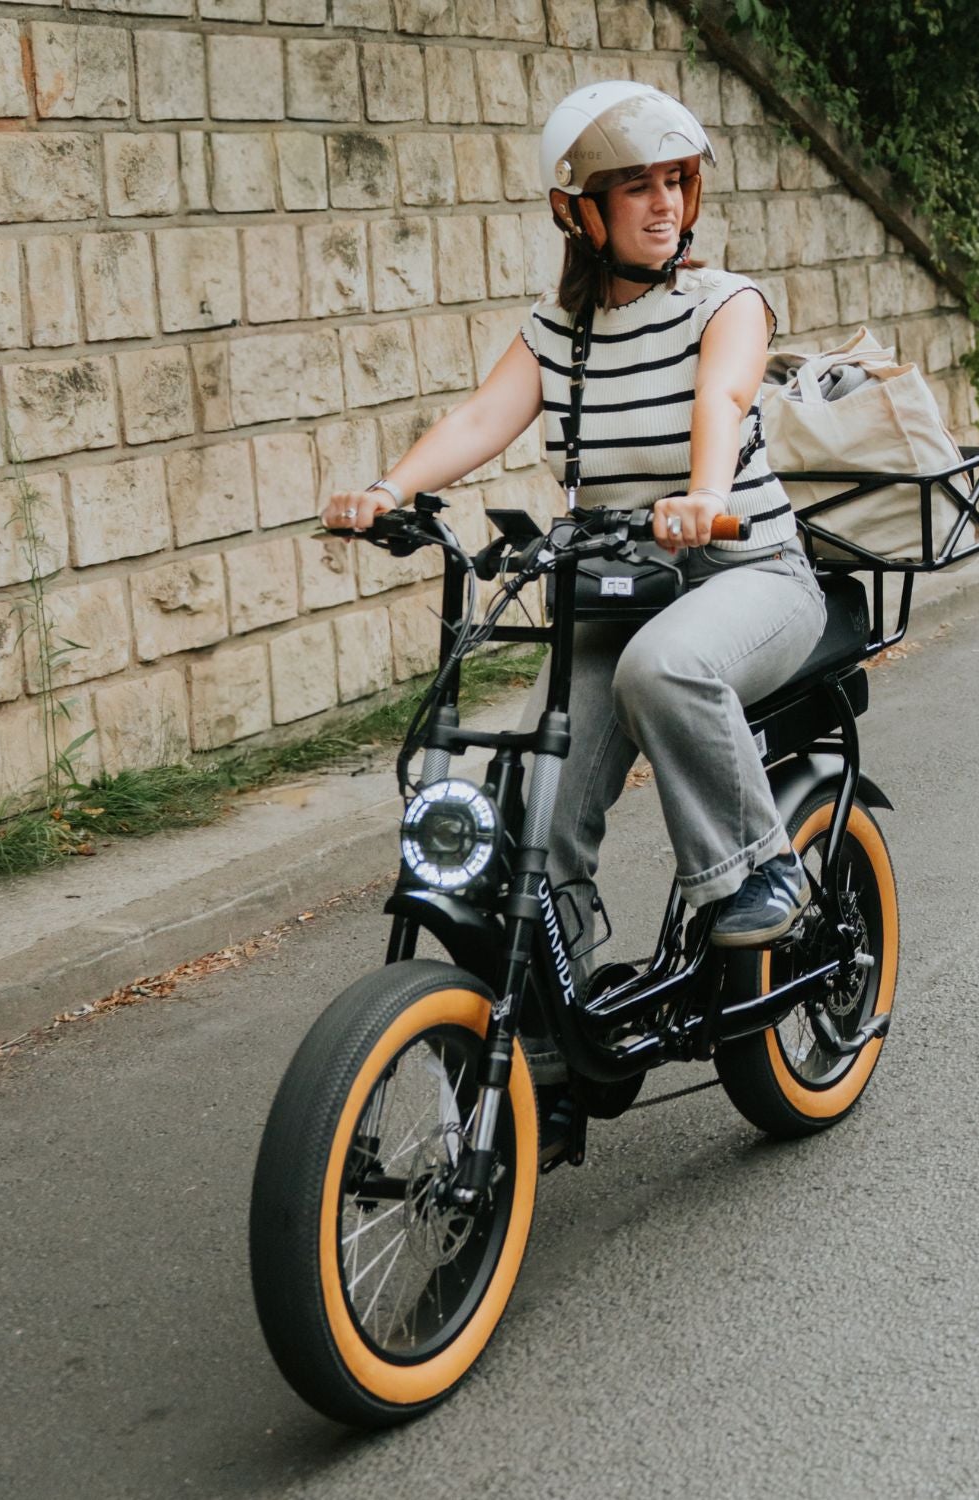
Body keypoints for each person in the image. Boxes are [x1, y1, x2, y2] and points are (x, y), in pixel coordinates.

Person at [323, 81, 828, 949]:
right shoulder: (559, 331)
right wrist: (387, 490)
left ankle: (763, 866)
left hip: (748, 576)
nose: (664, 203)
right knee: (534, 802)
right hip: (620, 589)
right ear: (581, 212)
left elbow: (723, 395)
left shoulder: (727, 303)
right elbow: (481, 419)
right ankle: (556, 1038)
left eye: (674, 181)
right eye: (637, 185)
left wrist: (706, 495)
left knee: (663, 669)